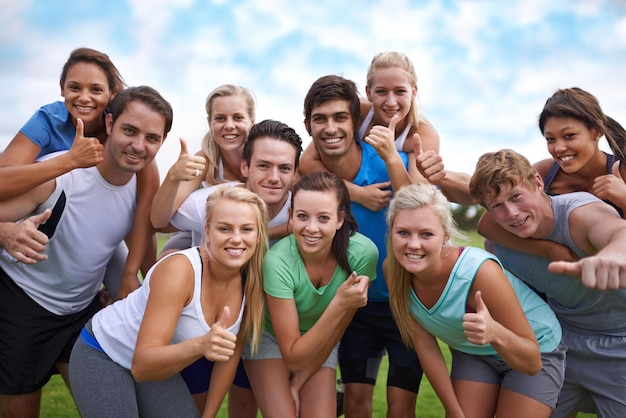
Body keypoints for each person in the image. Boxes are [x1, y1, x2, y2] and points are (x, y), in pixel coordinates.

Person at [0, 85, 172, 417]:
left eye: (152, 138)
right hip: (21, 307)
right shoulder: (59, 175)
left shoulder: (141, 187)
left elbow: (122, 243)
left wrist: (127, 283)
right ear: (109, 125)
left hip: (82, 313)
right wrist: (7, 234)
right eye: (129, 131)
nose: (139, 146)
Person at [69, 186, 268, 417]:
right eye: (224, 228)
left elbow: (229, 357)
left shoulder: (252, 281)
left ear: (258, 234)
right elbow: (142, 366)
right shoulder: (181, 270)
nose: (236, 238)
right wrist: (202, 345)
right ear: (208, 231)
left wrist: (208, 415)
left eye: (246, 229)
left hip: (156, 366)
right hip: (104, 351)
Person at [154, 119, 302, 415]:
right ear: (245, 167)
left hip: (265, 327)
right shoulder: (213, 201)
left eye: (284, 168)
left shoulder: (302, 210)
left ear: (296, 173)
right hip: (204, 323)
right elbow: (158, 220)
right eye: (263, 166)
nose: (274, 177)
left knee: (246, 405)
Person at [384, 183, 565, 417]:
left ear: (445, 236)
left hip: (536, 348)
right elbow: (426, 347)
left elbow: (531, 361)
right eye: (403, 233)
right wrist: (454, 411)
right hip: (475, 352)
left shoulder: (479, 272)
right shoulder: (394, 271)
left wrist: (495, 333)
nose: (413, 244)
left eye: (426, 234)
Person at [469, 148, 626, 416]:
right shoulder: (500, 247)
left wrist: (613, 254)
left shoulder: (579, 212)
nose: (512, 213)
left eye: (516, 197)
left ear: (538, 182)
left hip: (618, 344)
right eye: (497, 206)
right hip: (557, 345)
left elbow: (617, 231)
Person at [301, 74, 422, 418]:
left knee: (401, 409)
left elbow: (421, 208)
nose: (330, 128)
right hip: (356, 309)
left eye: (340, 118)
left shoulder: (389, 161)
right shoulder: (311, 182)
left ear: (356, 123)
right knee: (355, 403)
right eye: (320, 119)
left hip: (405, 306)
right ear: (309, 126)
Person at [0, 47, 159, 300]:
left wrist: (133, 273)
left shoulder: (123, 128)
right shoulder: (49, 119)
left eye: (96, 90)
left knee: (132, 282)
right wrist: (70, 161)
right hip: (41, 206)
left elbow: (145, 209)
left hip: (97, 217)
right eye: (75, 88)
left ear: (111, 94)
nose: (85, 98)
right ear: (62, 88)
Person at [243, 171, 378, 417]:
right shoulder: (277, 262)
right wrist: (339, 303)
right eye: (303, 216)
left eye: (323, 218)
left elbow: (338, 327)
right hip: (269, 337)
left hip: (324, 337)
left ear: (340, 220)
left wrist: (298, 383)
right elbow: (294, 357)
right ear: (291, 216)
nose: (311, 228)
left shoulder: (362, 254)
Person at [299, 51, 440, 212]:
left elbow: (417, 202)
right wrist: (358, 194)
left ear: (413, 92)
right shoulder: (359, 112)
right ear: (368, 93)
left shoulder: (422, 133)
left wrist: (391, 156)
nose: (391, 102)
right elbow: (307, 163)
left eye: (400, 91)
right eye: (381, 92)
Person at [152, 84, 257, 256]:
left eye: (238, 118)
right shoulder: (205, 159)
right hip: (203, 237)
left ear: (251, 121)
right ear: (210, 123)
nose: (229, 125)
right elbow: (158, 220)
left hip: (248, 239)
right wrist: (173, 177)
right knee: (166, 258)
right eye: (220, 118)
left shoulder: (263, 156)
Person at [534, 87, 626, 217]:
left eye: (569, 135)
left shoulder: (622, 173)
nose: (558, 148)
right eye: (550, 139)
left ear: (597, 131)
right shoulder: (542, 174)